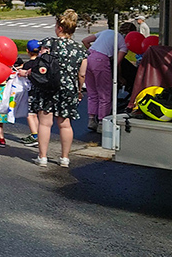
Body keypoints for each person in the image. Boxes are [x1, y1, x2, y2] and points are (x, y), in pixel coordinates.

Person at [32, 9, 88, 168]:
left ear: (60, 28)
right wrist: (79, 89)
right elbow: (82, 74)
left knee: (44, 123)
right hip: (68, 88)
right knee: (65, 123)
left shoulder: (49, 43)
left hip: (49, 86)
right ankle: (64, 158)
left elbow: (40, 63)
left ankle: (42, 157)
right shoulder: (80, 49)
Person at [81, 22, 135, 132]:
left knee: (92, 93)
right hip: (101, 61)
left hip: (89, 58)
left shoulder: (107, 32)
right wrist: (119, 77)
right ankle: (102, 122)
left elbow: (85, 41)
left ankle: (91, 119)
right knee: (104, 93)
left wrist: (93, 51)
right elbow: (117, 63)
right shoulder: (123, 44)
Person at [15, 39, 41, 147]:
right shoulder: (41, 63)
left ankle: (35, 135)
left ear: (27, 51)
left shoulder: (27, 65)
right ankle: (40, 134)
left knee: (30, 114)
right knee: (37, 115)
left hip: (30, 92)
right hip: (40, 92)